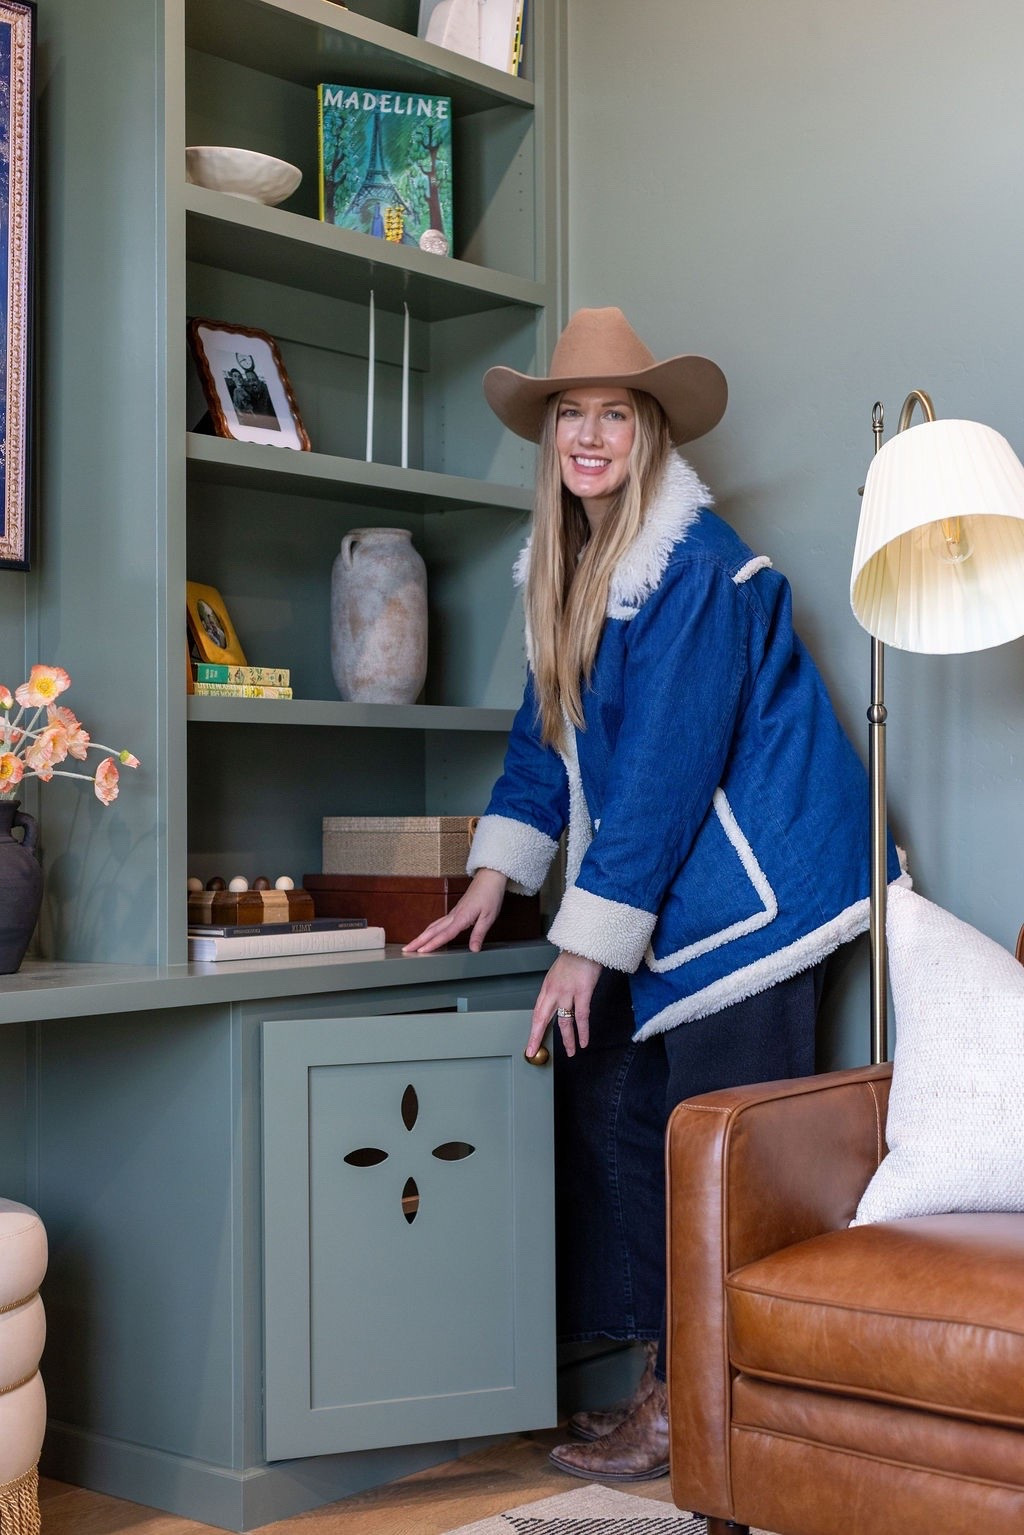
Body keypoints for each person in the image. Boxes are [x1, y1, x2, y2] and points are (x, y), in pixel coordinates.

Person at [403, 307, 902, 1482]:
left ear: (650, 432)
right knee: (611, 1103)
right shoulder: (565, 573)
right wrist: (494, 880)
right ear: (550, 440)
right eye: (569, 415)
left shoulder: (696, 565)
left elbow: (671, 768)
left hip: (761, 888)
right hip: (673, 881)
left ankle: (703, 1410)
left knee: (713, 1150)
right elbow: (544, 745)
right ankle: (664, 1388)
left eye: (612, 415)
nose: (587, 434)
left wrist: (580, 946)